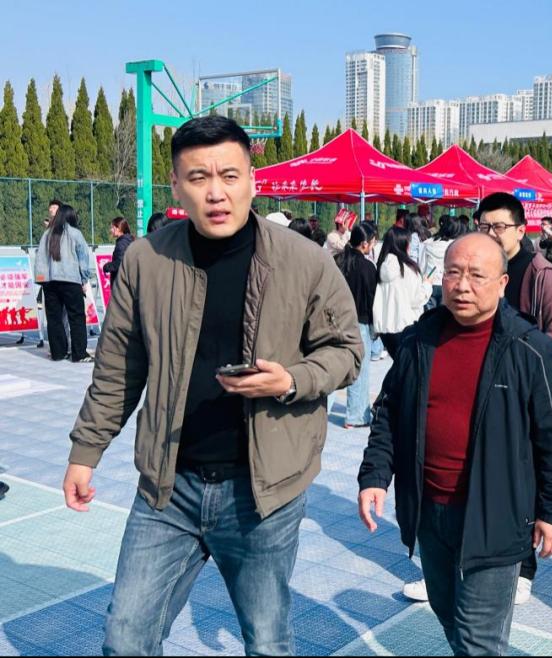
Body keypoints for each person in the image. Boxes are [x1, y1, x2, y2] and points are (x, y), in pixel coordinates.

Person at [62, 115, 364, 656]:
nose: (216, 192)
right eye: (198, 177)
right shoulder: (146, 259)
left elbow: (346, 351)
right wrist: (86, 452)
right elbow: (118, 367)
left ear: (253, 179)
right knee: (126, 638)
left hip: (264, 491)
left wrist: (291, 379)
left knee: (267, 642)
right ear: (176, 186)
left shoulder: (304, 260)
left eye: (229, 175)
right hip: (168, 485)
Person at [358, 233, 552, 656]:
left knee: (478, 639)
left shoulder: (529, 349)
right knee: (448, 614)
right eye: (453, 273)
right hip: (429, 509)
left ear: (502, 283)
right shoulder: (419, 340)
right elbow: (388, 412)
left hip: (496, 514)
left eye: (477, 275)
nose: (462, 285)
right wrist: (375, 476)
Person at [479, 192, 552, 374]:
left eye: (499, 227)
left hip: (521, 379)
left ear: (520, 231)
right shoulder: (474, 269)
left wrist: (536, 383)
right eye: (484, 226)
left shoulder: (541, 275)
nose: (490, 234)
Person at [33, 204, 92, 363]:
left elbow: (40, 258)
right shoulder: (75, 233)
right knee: (76, 317)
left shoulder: (47, 234)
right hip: (70, 280)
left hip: (49, 282)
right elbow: (83, 258)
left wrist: (41, 279)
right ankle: (79, 354)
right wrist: (84, 279)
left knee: (54, 318)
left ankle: (58, 353)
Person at [335, 223, 378, 429]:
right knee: (359, 370)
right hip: (359, 322)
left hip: (336, 321)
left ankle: (321, 408)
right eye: (372, 242)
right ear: (364, 244)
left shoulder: (337, 261)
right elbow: (372, 299)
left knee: (333, 367)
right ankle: (356, 416)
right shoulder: (367, 268)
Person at [373, 226, 431, 356]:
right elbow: (416, 300)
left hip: (385, 328)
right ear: (404, 244)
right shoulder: (408, 269)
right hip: (406, 326)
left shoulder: (381, 266)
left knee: (398, 363)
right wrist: (427, 285)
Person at [418, 215, 464, 310]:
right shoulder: (456, 245)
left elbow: (421, 265)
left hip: (430, 283)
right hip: (448, 283)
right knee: (444, 315)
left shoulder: (427, 243)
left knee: (429, 314)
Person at [103, 217, 135, 288]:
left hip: (121, 284)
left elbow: (119, 263)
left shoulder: (121, 244)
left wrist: (107, 267)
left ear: (118, 228)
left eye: (112, 227)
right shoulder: (130, 240)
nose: (111, 230)